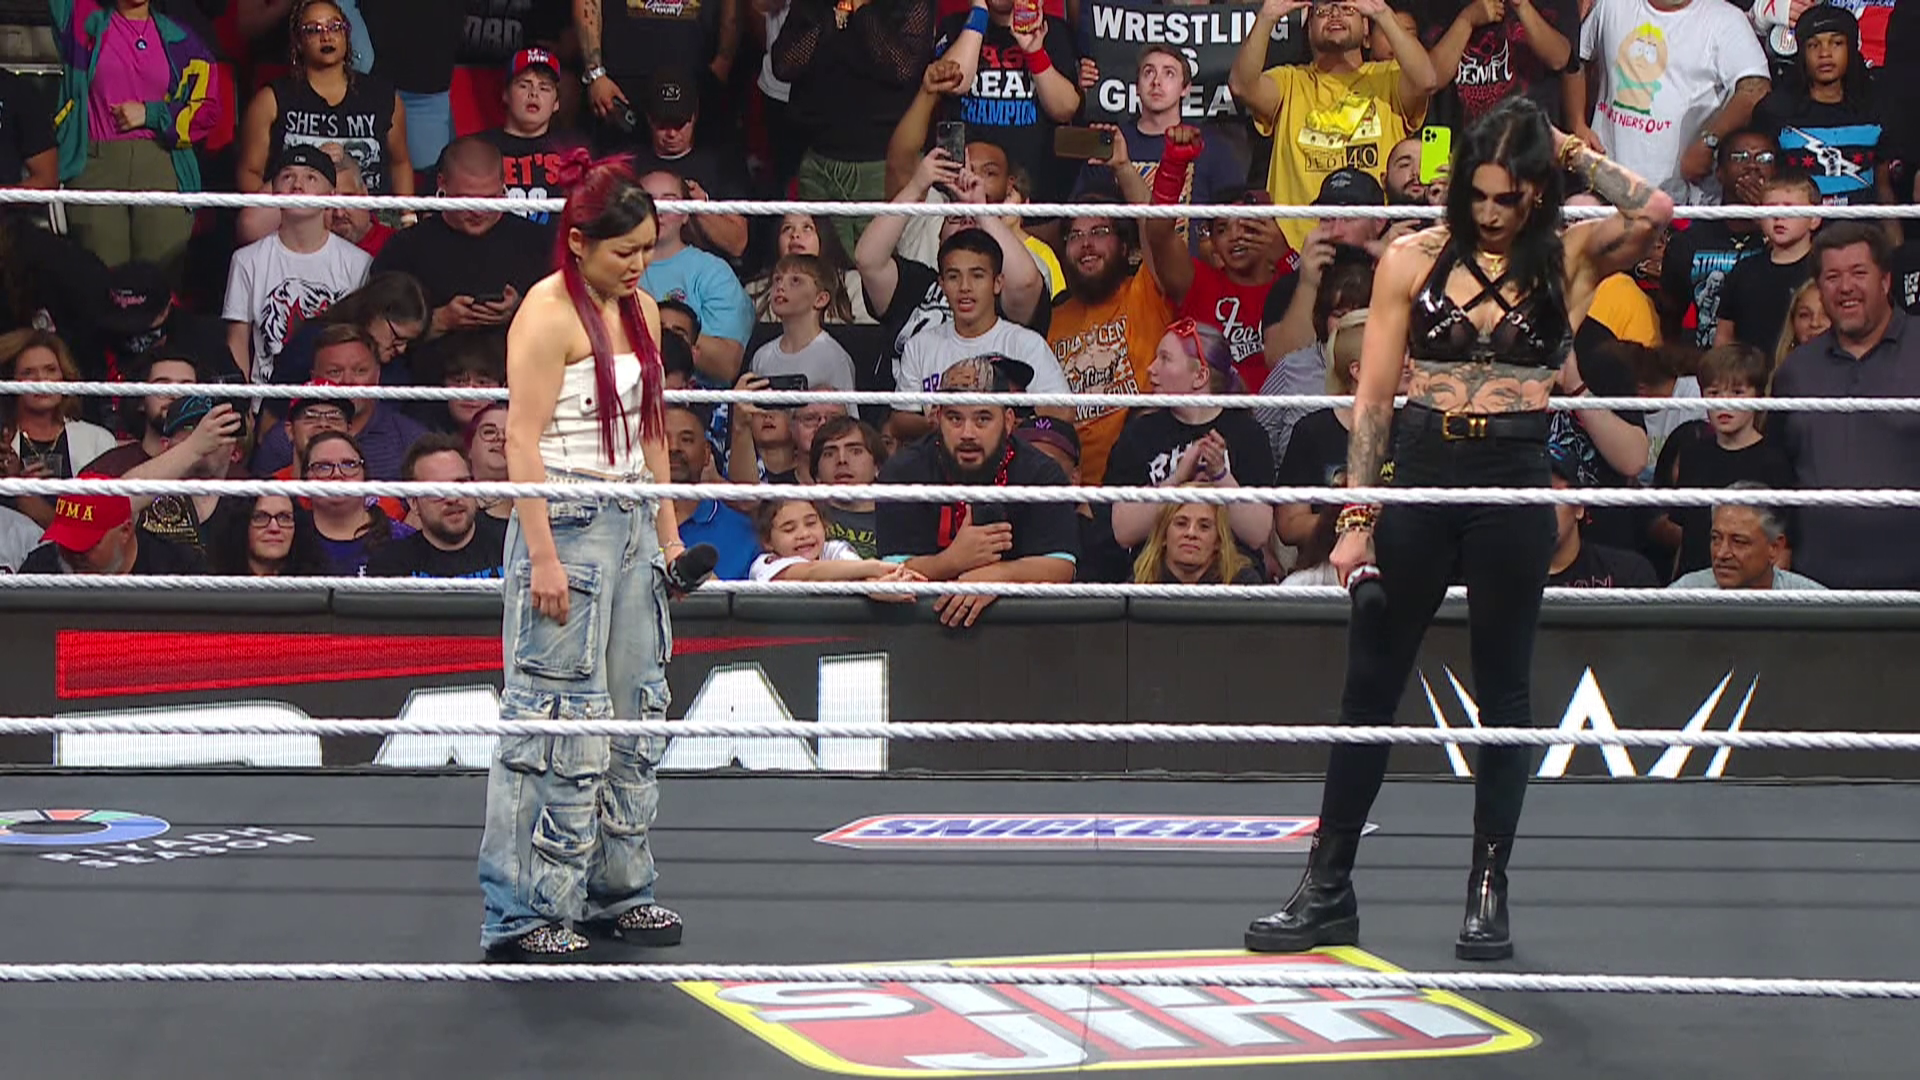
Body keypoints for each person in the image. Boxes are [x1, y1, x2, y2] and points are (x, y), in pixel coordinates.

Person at [1243, 97, 1674, 962]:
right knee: (1371, 683)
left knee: (1504, 691)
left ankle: (1488, 889)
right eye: (1476, 194)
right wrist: (1357, 517)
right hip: (1423, 464)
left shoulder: (1568, 254)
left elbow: (1655, 211)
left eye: (1508, 197)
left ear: (1535, 191)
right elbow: (1373, 397)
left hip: (1513, 474)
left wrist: (1566, 148)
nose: (1489, 213)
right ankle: (1326, 887)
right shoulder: (1413, 256)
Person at [478, 152, 712, 962]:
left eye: (647, 248)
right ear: (578, 242)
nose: (640, 263)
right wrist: (542, 556)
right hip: (567, 522)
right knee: (552, 722)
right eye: (625, 250)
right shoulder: (545, 314)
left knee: (634, 715)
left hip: (633, 520)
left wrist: (669, 536)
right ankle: (523, 912)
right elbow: (521, 440)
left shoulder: (641, 307)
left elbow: (652, 432)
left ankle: (619, 892)